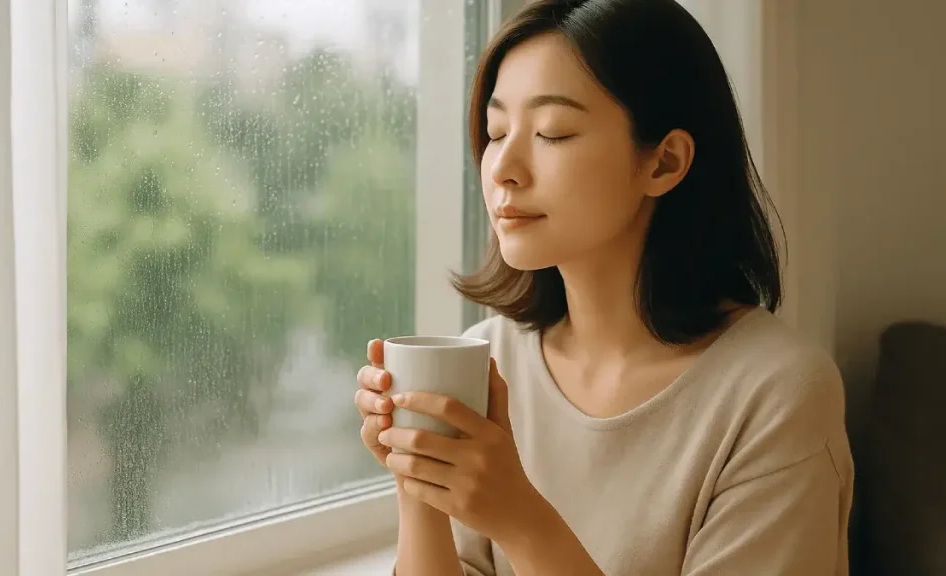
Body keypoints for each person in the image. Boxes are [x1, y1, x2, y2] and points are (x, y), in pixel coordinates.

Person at [354, 0, 854, 574]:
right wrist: (418, 480)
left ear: (664, 162)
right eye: (496, 131)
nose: (502, 168)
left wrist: (521, 519)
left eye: (552, 132)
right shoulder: (491, 360)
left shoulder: (777, 393)